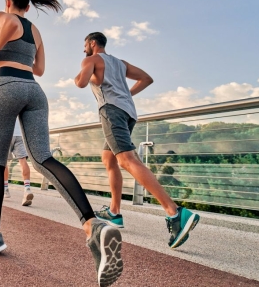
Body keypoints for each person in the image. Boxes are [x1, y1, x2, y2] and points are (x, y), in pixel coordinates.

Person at [0, 0, 123, 286]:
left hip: (6, 84)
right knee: (43, 158)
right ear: (29, 5)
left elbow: (6, 27)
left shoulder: (3, 16)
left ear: (8, 2)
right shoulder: (37, 31)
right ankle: (92, 224)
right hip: (34, 92)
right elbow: (39, 70)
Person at [74, 32, 200, 249]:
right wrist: (127, 94)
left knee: (126, 160)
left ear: (92, 43)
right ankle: (114, 212)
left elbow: (80, 83)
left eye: (85, 44)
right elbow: (147, 79)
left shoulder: (91, 59)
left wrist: (81, 72)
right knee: (109, 158)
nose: (83, 48)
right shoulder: (120, 63)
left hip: (111, 111)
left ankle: (175, 212)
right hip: (128, 112)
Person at [3, 118, 33, 206]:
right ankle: (27, 188)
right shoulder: (20, 103)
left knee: (3, 162)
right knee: (23, 161)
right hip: (20, 134)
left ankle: (5, 189)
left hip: (7, 133)